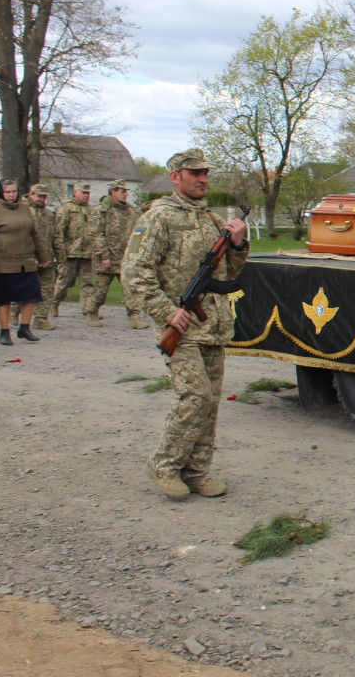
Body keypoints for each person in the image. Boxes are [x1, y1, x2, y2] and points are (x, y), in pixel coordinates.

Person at [122, 149, 248, 501]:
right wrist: (165, 312)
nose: (202, 178)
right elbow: (134, 273)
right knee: (193, 397)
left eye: (205, 172)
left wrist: (237, 245)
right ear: (174, 175)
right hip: (182, 326)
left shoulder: (209, 219)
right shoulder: (159, 217)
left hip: (213, 326)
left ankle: (196, 472)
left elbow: (228, 275)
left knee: (210, 402)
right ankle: (164, 464)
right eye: (194, 173)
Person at [0, 178, 52, 345]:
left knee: (32, 295)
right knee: (3, 299)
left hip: (25, 261)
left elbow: (34, 234)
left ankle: (24, 328)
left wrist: (44, 257)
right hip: (1, 263)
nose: (11, 195)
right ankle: (4, 332)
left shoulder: (24, 208)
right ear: (1, 193)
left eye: (13, 191)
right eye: (7, 192)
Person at [89, 179, 149, 329]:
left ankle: (134, 317)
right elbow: (97, 235)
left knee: (130, 288)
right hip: (107, 258)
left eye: (126, 191)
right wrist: (104, 256)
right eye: (122, 191)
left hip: (125, 258)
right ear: (113, 192)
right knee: (101, 290)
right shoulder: (101, 211)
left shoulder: (130, 210)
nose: (125, 194)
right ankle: (92, 312)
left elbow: (137, 231)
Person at [52, 182, 97, 324]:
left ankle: (87, 309)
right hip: (70, 252)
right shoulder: (66, 209)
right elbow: (59, 232)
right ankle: (53, 304)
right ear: (75, 193)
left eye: (87, 193)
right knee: (64, 281)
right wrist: (61, 252)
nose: (86, 196)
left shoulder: (91, 210)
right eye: (83, 193)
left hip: (86, 253)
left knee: (87, 283)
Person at [22, 184, 64, 330]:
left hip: (46, 258)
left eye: (44, 196)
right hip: (27, 258)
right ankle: (15, 313)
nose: (42, 199)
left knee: (47, 289)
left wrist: (60, 255)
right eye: (39, 196)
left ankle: (41, 318)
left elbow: (56, 236)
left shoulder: (48, 215)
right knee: (24, 289)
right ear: (31, 194)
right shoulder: (22, 211)